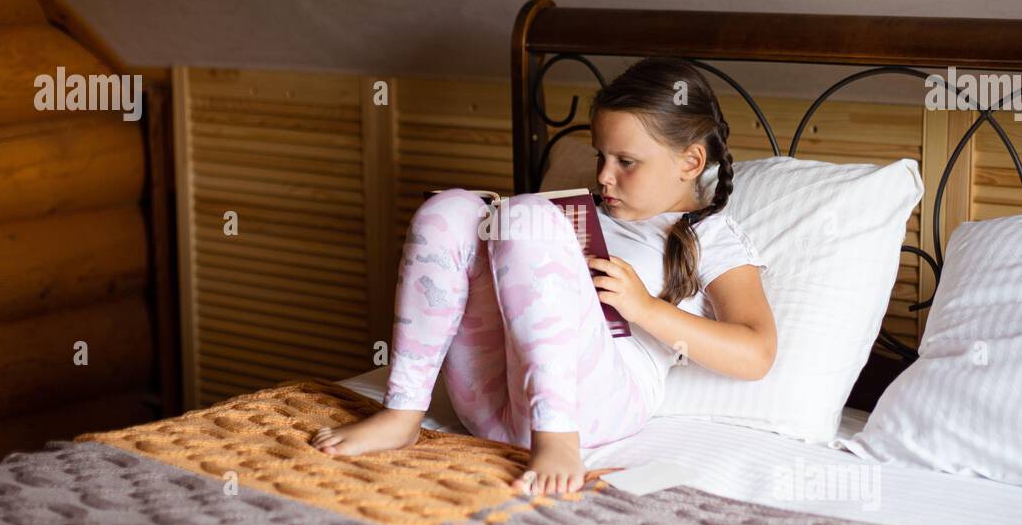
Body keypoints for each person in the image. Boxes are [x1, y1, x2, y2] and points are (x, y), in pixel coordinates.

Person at [312, 56, 776, 496]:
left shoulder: (709, 235)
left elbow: (756, 354)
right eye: (600, 156)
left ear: (690, 162)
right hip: (494, 404)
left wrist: (644, 308)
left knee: (528, 214)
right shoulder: (575, 213)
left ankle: (557, 439)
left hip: (597, 408)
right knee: (451, 209)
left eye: (625, 162)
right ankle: (403, 413)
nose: (604, 177)